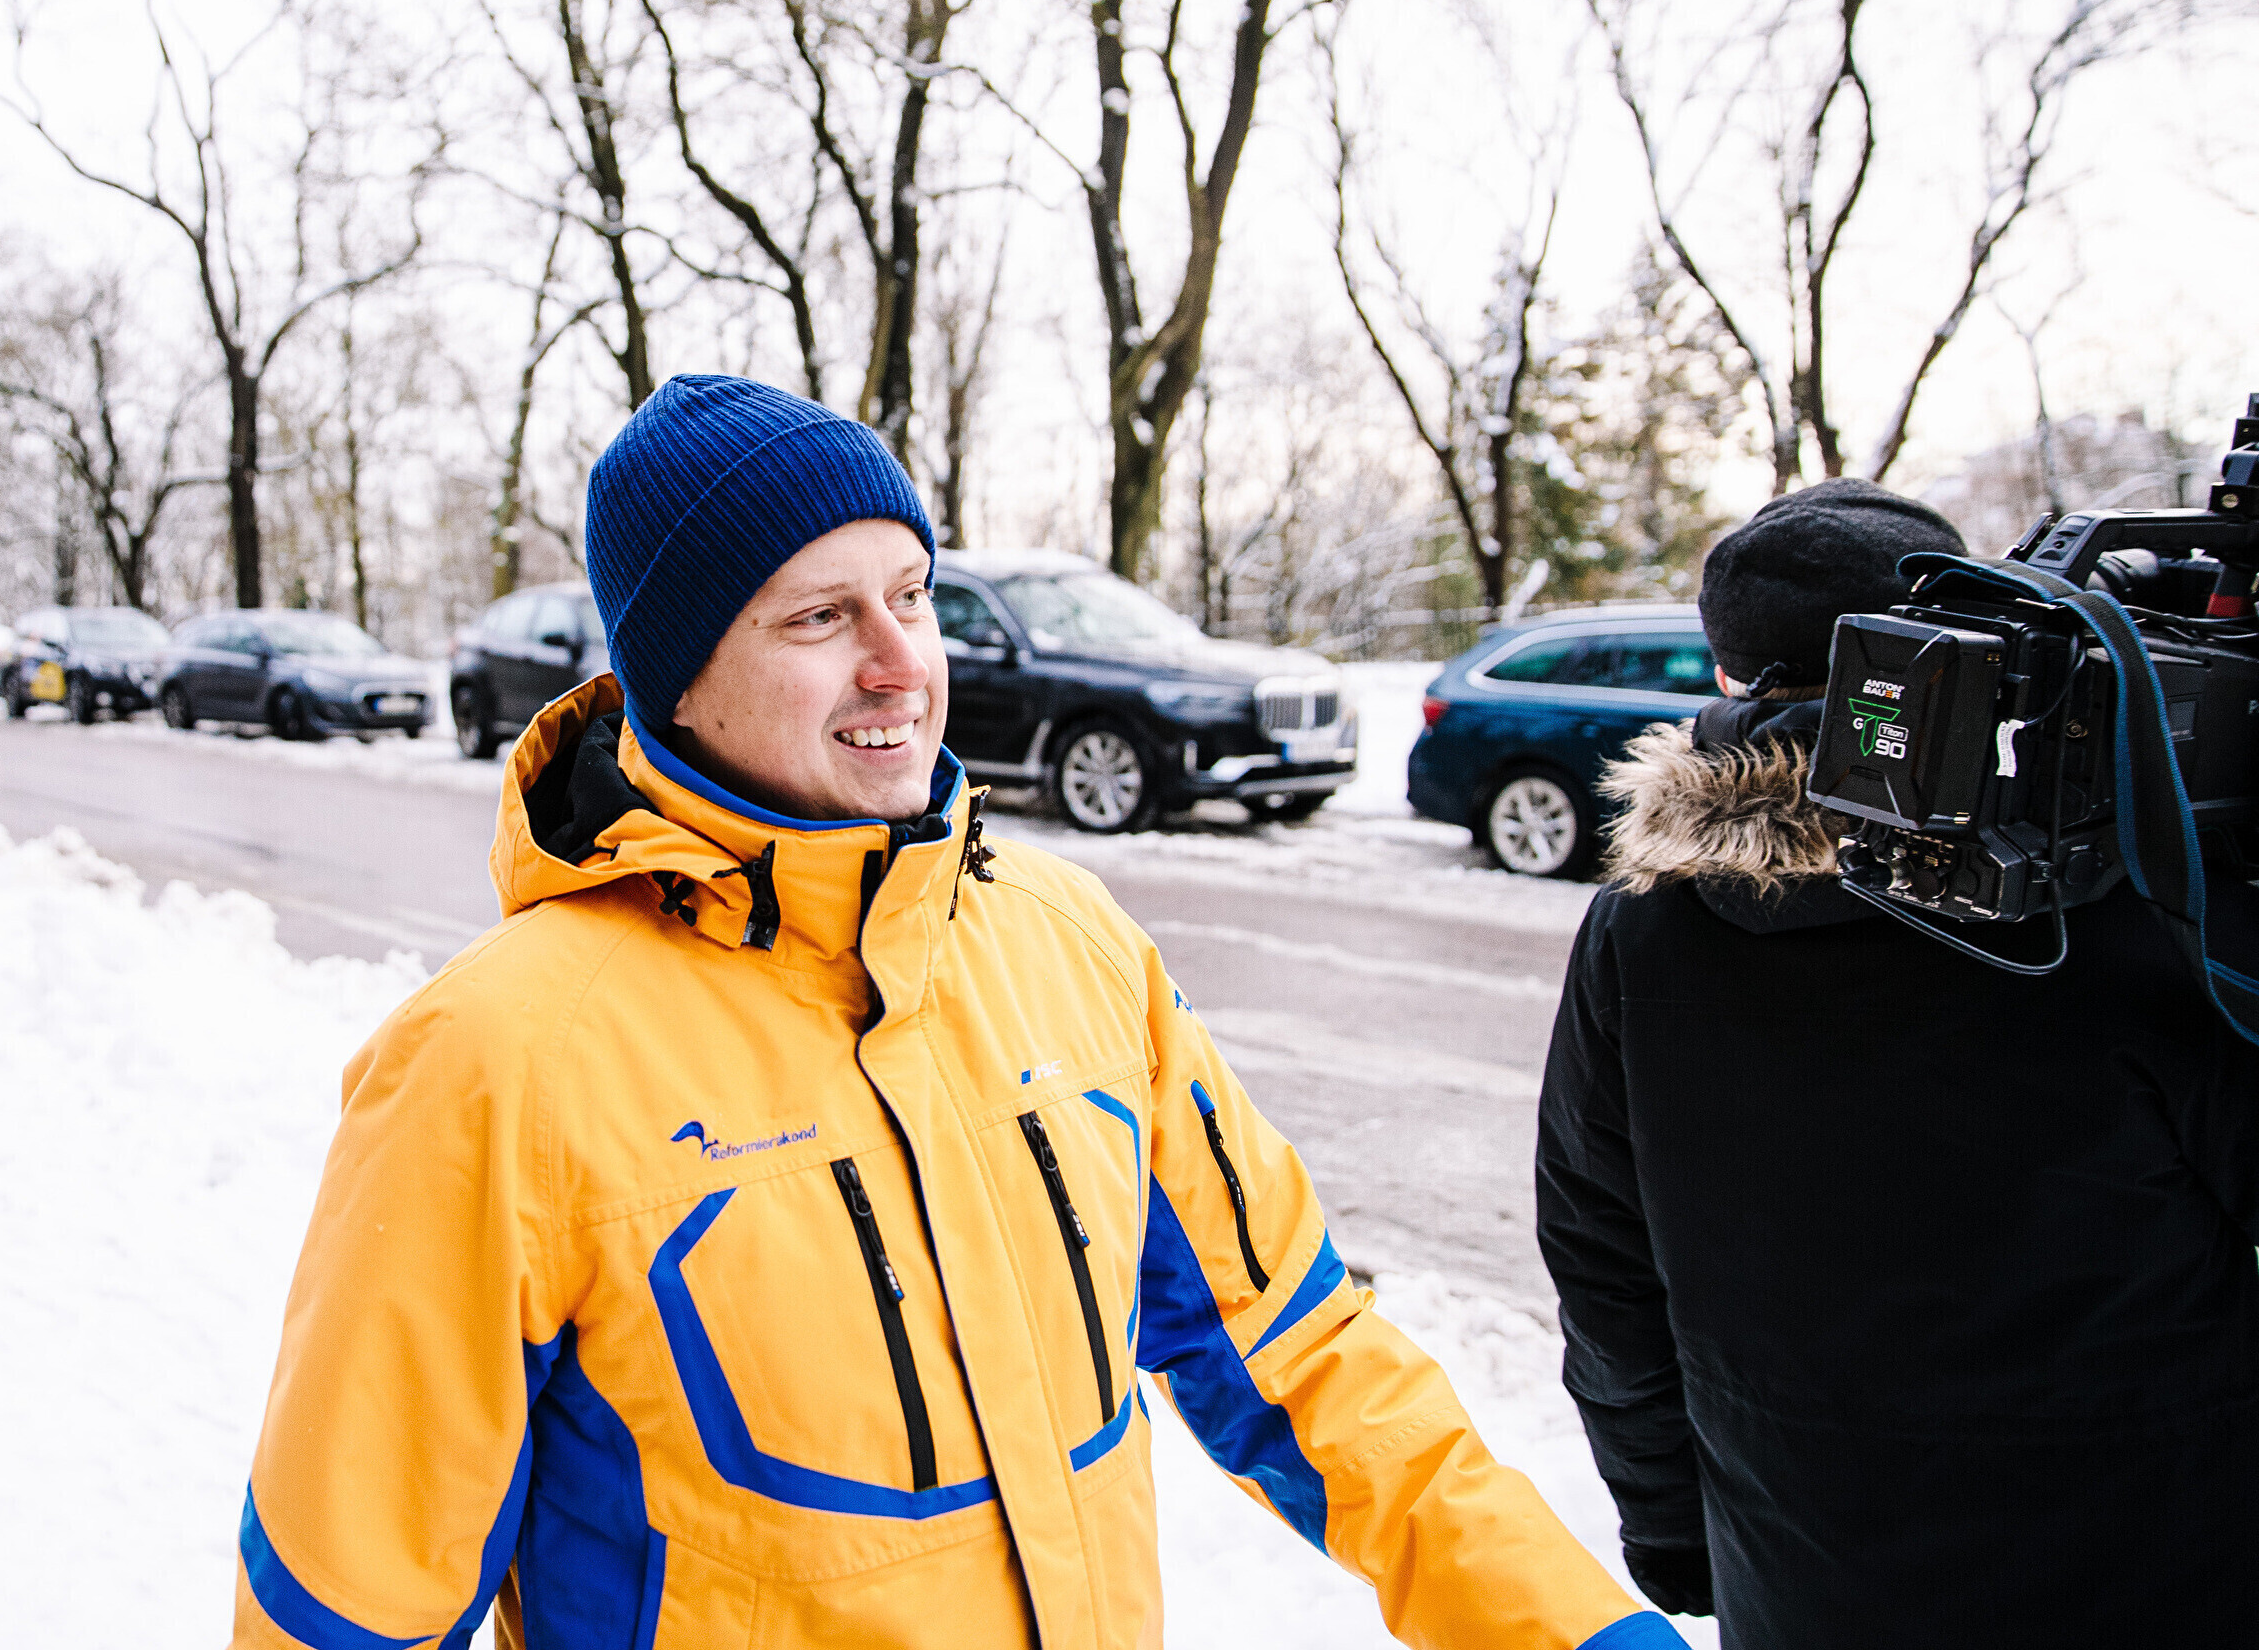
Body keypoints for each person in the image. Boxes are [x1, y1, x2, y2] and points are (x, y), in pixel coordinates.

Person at [237, 375, 1671, 1650]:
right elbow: (345, 1603)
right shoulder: (497, 1064)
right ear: (677, 678)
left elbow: (1311, 1364)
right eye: (820, 615)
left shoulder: (1072, 946)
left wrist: (1583, 1630)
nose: (900, 660)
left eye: (912, 595)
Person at [1536, 479, 2259, 1645]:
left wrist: (1672, 1523)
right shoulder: (2125, 891)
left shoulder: (1643, 924)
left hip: (1806, 1567)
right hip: (2157, 1557)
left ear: (1729, 673)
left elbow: (1602, 1258)